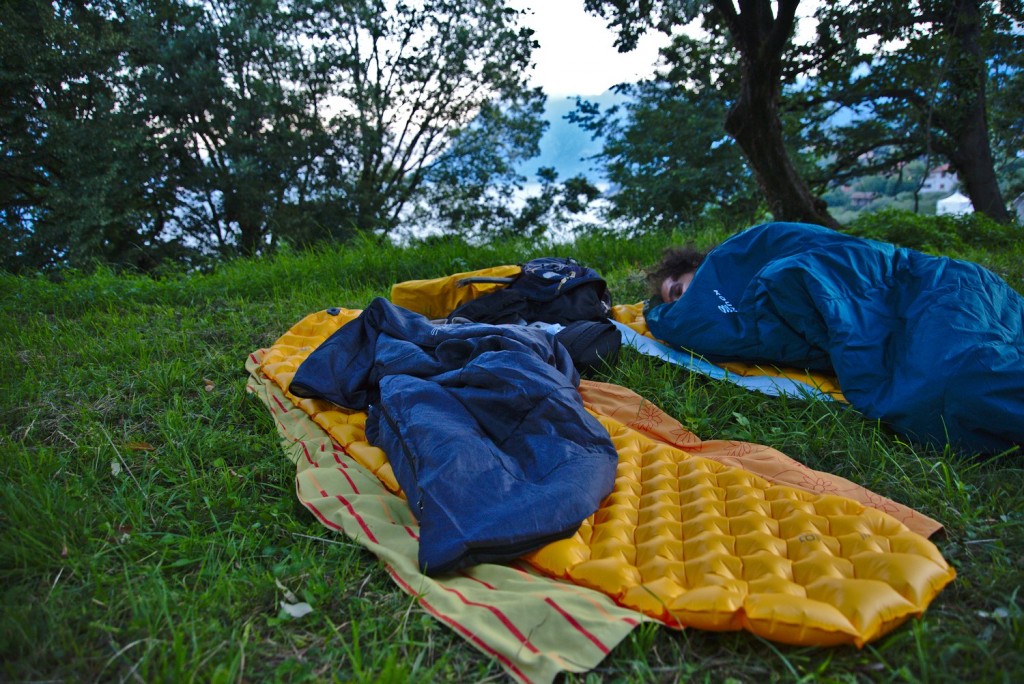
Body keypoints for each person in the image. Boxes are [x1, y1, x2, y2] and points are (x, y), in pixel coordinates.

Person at [643, 221, 1024, 455]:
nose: (679, 301)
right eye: (671, 300)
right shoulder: (712, 315)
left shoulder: (746, 251)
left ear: (698, 266)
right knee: (953, 383)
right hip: (903, 314)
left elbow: (827, 259)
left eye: (677, 288)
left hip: (936, 285)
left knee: (956, 375)